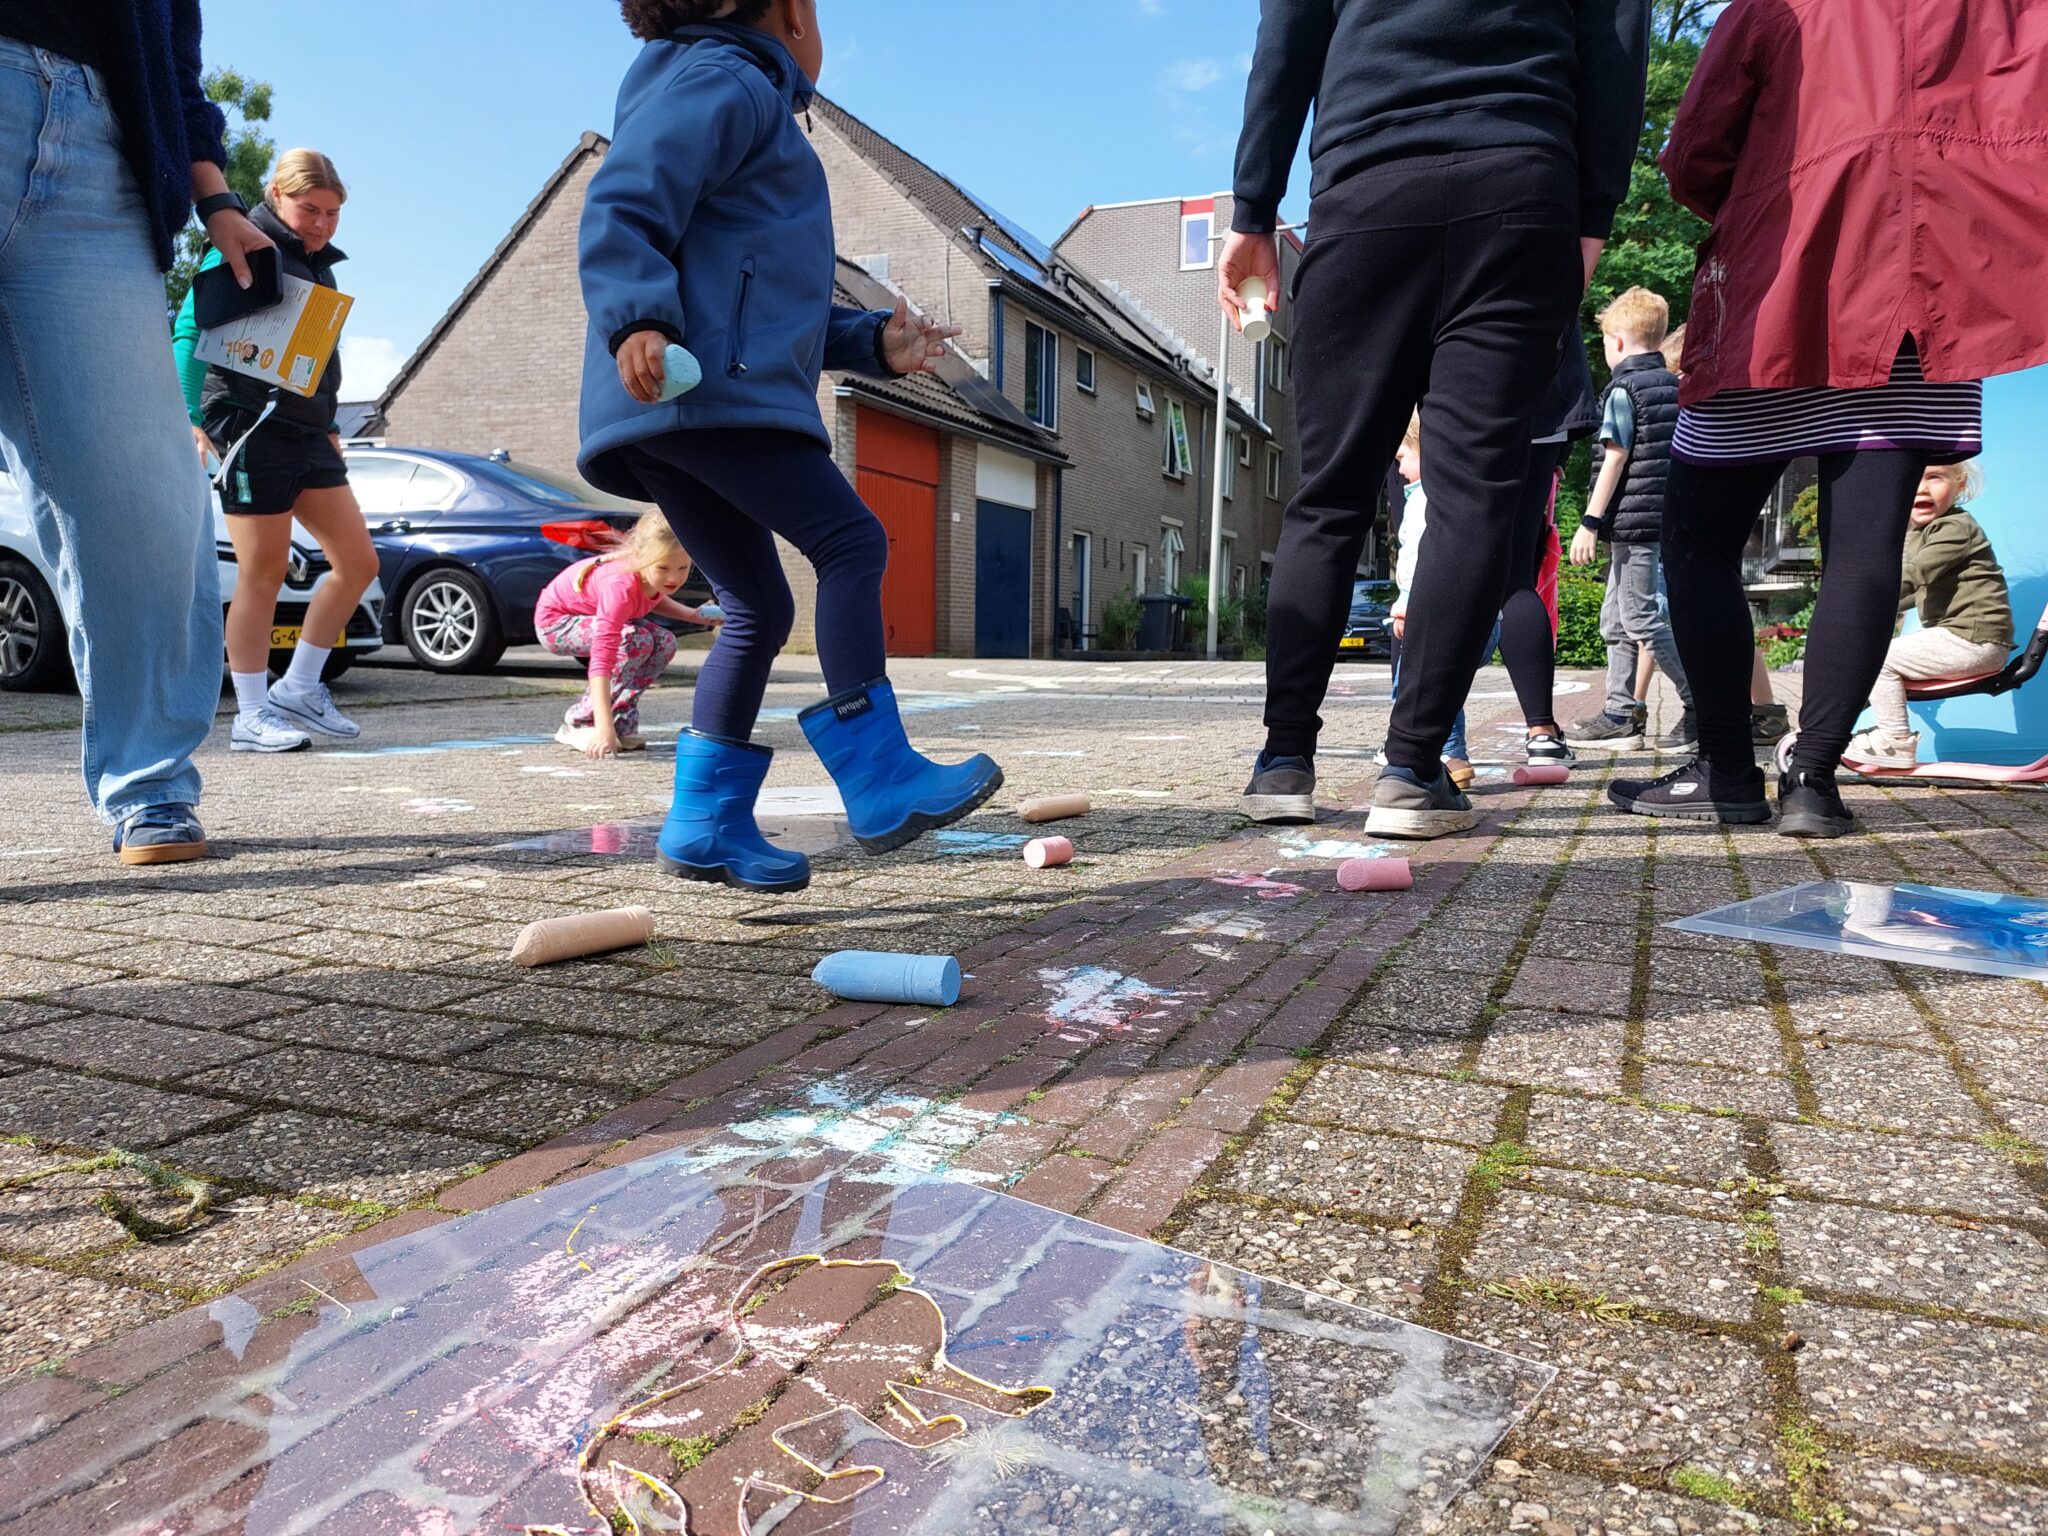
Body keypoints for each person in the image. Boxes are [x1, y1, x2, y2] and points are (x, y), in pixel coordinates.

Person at [581, 0, 999, 894]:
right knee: (851, 541)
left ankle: (705, 820)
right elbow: (623, 197)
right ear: (786, 13)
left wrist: (868, 343)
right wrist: (637, 317)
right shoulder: (725, 80)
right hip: (707, 393)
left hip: (689, 399)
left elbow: (770, 302)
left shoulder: (734, 96)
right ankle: (880, 778)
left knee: (758, 606)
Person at [1612, 0, 2047, 838]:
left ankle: (1730, 771)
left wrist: (1773, 201)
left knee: (1696, 542)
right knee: (1866, 549)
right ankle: (1812, 781)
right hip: (1935, 286)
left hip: (1784, 279)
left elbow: (1698, 147)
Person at [1225, 0, 1648, 838]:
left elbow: (1287, 35)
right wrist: (1592, 212)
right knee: (1474, 497)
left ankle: (1283, 762)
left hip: (1367, 180)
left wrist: (1253, 207)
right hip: (1524, 184)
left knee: (1329, 491)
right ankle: (1414, 769)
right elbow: (1616, 39)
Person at [0, 3, 273, 863]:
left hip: (100, 148)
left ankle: (148, 782)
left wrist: (215, 194)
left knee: (145, 496)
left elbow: (176, 57)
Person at [171, 147, 374, 754]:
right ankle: (250, 714)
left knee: (359, 563)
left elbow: (319, 360)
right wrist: (187, 418)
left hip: (307, 431)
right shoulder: (246, 239)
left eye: (333, 213)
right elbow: (189, 328)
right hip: (249, 425)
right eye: (310, 209)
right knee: (263, 572)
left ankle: (300, 688)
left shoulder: (321, 266)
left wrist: (329, 420)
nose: (321, 223)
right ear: (277, 196)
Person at [1569, 287, 1698, 754]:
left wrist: (1589, 520)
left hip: (1633, 523)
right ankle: (1621, 711)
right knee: (1617, 619)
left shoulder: (1624, 390)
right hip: (1662, 518)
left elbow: (1615, 457)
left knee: (1642, 617)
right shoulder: (1676, 385)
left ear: (1618, 342)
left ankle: (1700, 705)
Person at [1846, 462, 2010, 768]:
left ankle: (1895, 741)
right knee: (1873, 654)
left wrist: (1854, 600)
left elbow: (1914, 574)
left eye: (1934, 477)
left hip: (1973, 639)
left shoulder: (1955, 528)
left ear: (1959, 485)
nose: (1921, 487)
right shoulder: (1923, 532)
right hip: (1967, 638)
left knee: (1877, 658)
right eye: (1911, 478)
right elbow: (1909, 591)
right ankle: (1872, 730)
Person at [535, 510, 720, 760]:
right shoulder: (619, 586)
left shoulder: (645, 575)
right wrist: (603, 729)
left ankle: (621, 719)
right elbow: (603, 658)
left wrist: (693, 615)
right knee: (634, 641)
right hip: (556, 624)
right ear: (642, 558)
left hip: (588, 619)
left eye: (683, 567)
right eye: (663, 567)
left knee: (664, 642)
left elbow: (648, 598)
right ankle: (580, 721)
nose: (674, 577)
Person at [1385, 415, 1486, 790]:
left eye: (1403, 459)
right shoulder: (1462, 494)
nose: (1398, 467)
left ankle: (1421, 752)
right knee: (1444, 677)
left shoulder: (1422, 501)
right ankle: (1452, 754)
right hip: (1479, 611)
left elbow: (1417, 556)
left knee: (1415, 684)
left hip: (1426, 607)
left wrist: (1407, 601)